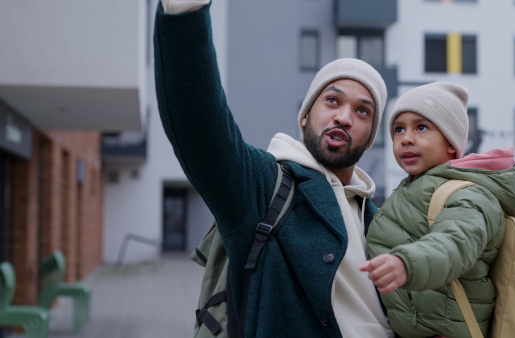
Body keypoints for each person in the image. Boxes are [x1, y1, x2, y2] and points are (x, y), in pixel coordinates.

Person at [153, 1, 395, 337]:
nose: (344, 117)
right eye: (332, 100)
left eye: (363, 112)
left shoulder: (380, 220)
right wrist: (185, 11)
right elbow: (200, 124)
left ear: (369, 139)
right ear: (306, 116)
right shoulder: (265, 185)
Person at [359, 82, 515, 338]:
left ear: (452, 143)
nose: (406, 138)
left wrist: (406, 263)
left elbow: (456, 241)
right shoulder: (410, 191)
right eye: (399, 129)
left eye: (421, 127)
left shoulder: (469, 193)